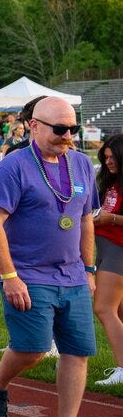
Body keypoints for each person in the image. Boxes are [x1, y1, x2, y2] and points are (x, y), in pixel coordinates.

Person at [0, 96, 101, 417]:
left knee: (78, 352)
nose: (68, 136)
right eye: (59, 129)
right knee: (32, 349)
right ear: (34, 125)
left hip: (73, 275)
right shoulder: (14, 166)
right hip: (28, 274)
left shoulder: (81, 164)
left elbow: (84, 220)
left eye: (72, 129)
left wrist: (90, 269)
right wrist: (10, 277)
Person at [92, 134, 123, 386]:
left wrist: (109, 219)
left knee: (104, 308)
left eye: (113, 157)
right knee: (119, 311)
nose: (108, 161)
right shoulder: (110, 180)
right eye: (106, 157)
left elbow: (111, 217)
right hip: (106, 246)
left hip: (118, 248)